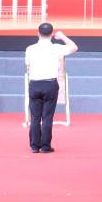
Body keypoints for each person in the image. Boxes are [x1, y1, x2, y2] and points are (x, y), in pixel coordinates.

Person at [24, 23, 77, 154]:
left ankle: (34, 146)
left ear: (38, 33)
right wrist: (62, 36)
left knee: (35, 117)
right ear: (52, 34)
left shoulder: (30, 49)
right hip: (50, 84)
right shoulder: (56, 48)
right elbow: (74, 47)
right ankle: (45, 146)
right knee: (47, 117)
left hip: (35, 84)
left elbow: (27, 63)